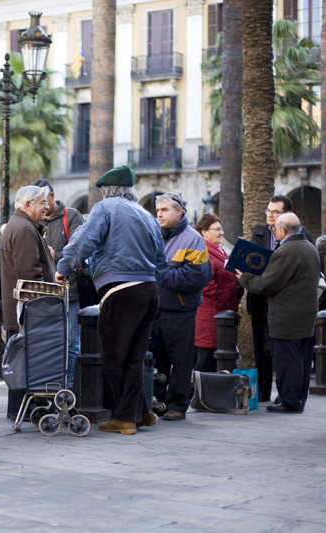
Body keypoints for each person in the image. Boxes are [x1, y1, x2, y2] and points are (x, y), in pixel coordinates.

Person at [56, 166, 168, 435]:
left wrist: (64, 268)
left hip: (121, 291)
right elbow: (162, 262)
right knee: (134, 357)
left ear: (106, 191)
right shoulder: (146, 214)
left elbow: (83, 242)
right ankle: (141, 412)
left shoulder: (105, 208)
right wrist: (150, 284)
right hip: (148, 290)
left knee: (113, 357)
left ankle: (126, 418)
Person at [237, 213, 320, 414]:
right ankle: (297, 399)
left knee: (287, 360)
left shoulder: (286, 251)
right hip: (306, 315)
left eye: (275, 228)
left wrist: (244, 278)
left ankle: (289, 401)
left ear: (282, 230)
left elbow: (267, 284)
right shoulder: (310, 248)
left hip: (287, 316)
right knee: (301, 359)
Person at [150, 192, 211, 421]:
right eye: (157, 210)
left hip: (180, 311)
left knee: (181, 362)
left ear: (179, 211)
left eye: (164, 210)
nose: (159, 214)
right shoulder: (154, 235)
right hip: (155, 310)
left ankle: (177, 405)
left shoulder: (193, 239)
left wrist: (160, 274)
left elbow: (197, 276)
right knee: (156, 361)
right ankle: (156, 402)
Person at [30, 179, 84, 389]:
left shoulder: (71, 216)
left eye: (43, 200)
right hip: (44, 293)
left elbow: (81, 251)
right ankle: (49, 387)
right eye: (38, 202)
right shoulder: (33, 221)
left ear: (51, 197)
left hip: (70, 292)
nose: (42, 206)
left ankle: (67, 389)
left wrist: (56, 255)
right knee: (48, 343)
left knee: (70, 342)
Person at [0, 185, 56, 336]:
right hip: (29, 316)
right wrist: (44, 307)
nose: (47, 206)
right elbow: (30, 275)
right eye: (42, 202)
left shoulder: (21, 225)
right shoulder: (24, 228)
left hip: (26, 314)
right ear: (28, 204)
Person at [193, 213, 238, 372]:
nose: (222, 232)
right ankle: (198, 389)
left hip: (220, 315)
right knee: (205, 364)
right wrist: (222, 300)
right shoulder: (203, 251)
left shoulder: (218, 249)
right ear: (204, 232)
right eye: (217, 229)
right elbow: (206, 282)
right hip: (211, 315)